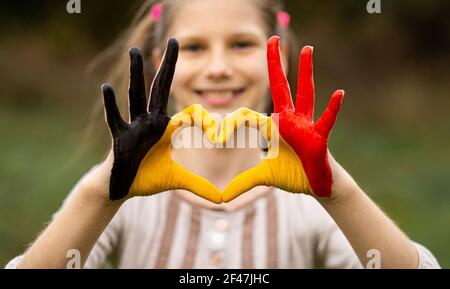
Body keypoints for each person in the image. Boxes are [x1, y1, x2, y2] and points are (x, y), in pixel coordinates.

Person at [6, 0, 440, 269]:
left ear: (279, 55)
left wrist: (336, 192)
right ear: (160, 63)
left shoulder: (303, 202)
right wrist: (101, 194)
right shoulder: (120, 196)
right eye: (193, 48)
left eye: (241, 44)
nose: (218, 67)